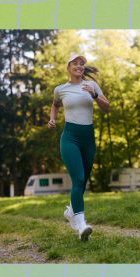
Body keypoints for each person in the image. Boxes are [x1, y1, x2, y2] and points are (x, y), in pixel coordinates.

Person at [48, 52, 110, 241]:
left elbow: (107, 107)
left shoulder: (91, 86)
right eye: (75, 63)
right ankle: (81, 225)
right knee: (79, 177)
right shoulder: (60, 89)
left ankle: (71, 213)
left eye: (81, 63)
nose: (79, 66)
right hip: (70, 138)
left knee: (82, 182)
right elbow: (55, 105)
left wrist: (95, 95)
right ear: (68, 67)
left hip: (88, 138)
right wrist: (52, 119)